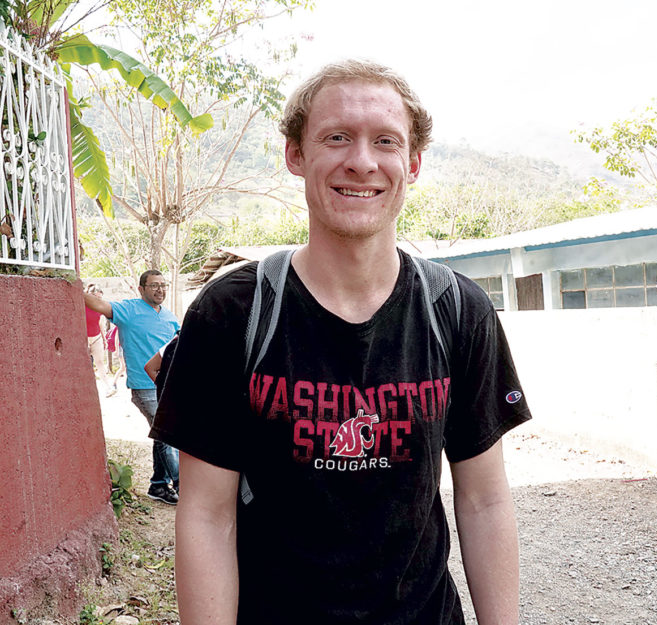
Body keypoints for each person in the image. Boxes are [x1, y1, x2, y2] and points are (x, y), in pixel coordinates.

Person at [152, 59, 531, 624]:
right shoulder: (234, 312)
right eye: (336, 138)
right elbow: (207, 514)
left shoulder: (458, 310)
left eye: (385, 141)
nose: (362, 161)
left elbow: (484, 500)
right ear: (295, 155)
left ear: (413, 162)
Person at [84, 270, 181, 505]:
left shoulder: (169, 317)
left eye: (163, 285)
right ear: (141, 289)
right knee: (167, 434)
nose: (160, 290)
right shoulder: (129, 310)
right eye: (154, 285)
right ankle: (183, 485)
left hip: (168, 385)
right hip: (143, 386)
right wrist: (72, 284)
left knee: (162, 434)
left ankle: (158, 485)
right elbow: (98, 304)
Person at [84, 284, 113, 397]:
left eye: (100, 298)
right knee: (86, 366)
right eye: (97, 297)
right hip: (84, 339)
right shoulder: (82, 306)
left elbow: (101, 324)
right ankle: (88, 391)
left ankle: (108, 387)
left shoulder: (99, 309)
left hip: (97, 338)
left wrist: (105, 339)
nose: (99, 300)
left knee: (100, 363)